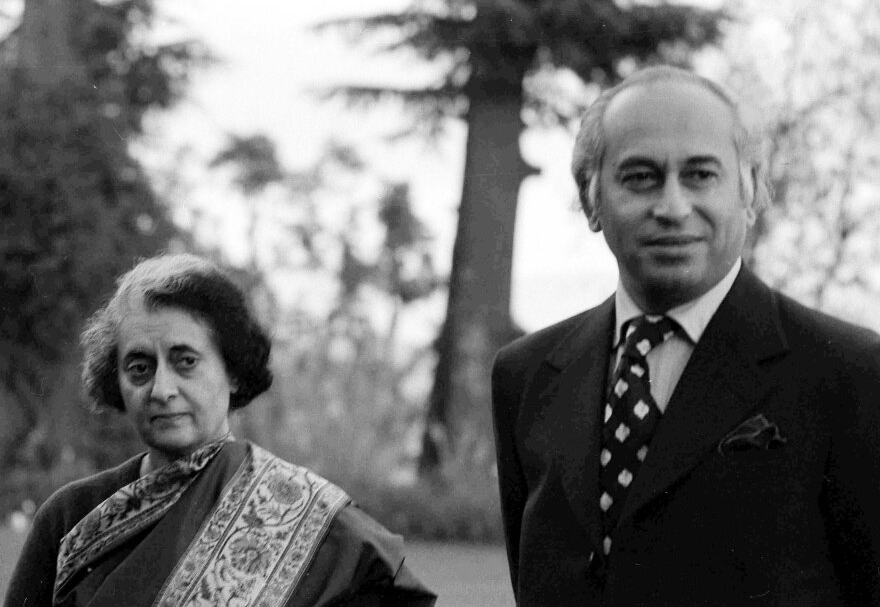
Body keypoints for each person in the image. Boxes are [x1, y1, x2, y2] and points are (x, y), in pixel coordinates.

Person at [491, 65, 880, 606]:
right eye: (640, 177)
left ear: (751, 191)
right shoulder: (525, 376)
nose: (672, 208)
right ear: (591, 199)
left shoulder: (853, 375)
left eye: (700, 175)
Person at [4, 253, 437, 607]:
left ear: (231, 370)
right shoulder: (69, 517)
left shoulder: (306, 515)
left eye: (185, 361)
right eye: (139, 368)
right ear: (115, 381)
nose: (161, 389)